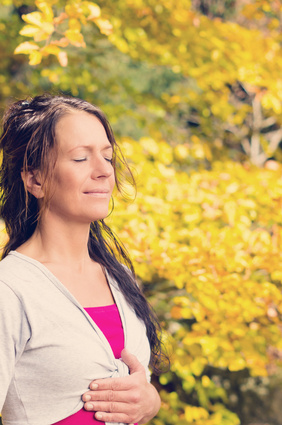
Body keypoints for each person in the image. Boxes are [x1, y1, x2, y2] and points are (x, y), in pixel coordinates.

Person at [0, 94, 165, 425]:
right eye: (80, 158)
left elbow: (135, 387)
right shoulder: (11, 289)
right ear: (35, 179)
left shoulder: (120, 279)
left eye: (107, 156)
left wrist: (150, 400)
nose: (104, 171)